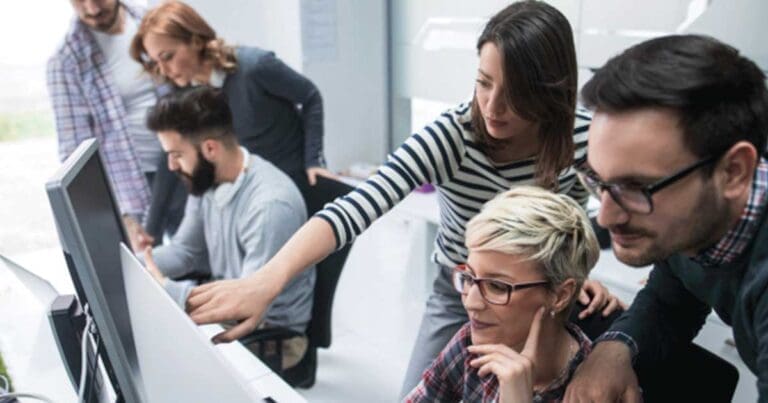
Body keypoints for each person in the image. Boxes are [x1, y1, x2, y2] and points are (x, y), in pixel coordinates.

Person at [184, 0, 623, 394]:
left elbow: (605, 214)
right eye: (484, 83)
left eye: (515, 95)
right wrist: (266, 280)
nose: (492, 107)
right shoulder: (453, 136)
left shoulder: (582, 137)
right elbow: (356, 206)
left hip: (540, 295)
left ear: (549, 91)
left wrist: (575, 275)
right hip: (461, 291)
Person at [563, 34, 768, 402]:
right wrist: (616, 347)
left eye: (636, 187)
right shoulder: (692, 221)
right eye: (599, 181)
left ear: (734, 172)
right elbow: (674, 292)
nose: (606, 217)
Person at [141, 86, 315, 369]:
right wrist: (131, 263)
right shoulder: (206, 179)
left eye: (176, 154)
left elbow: (245, 306)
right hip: (232, 304)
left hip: (270, 336)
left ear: (210, 148)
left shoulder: (270, 205)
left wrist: (165, 288)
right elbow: (186, 251)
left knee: (159, 361)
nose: (171, 166)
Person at [404, 186, 599, 402]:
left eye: (497, 286)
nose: (471, 302)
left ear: (560, 296)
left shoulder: (596, 391)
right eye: (469, 278)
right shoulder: (471, 344)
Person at [129, 0, 335, 195]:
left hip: (297, 183)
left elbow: (310, 97)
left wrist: (314, 161)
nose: (164, 70)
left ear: (196, 40)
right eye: (156, 62)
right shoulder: (186, 95)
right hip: (253, 190)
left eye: (167, 57)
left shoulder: (255, 66)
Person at [47, 0, 182, 250]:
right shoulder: (66, 62)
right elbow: (76, 156)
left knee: (203, 260)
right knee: (149, 271)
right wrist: (120, 213)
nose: (92, 9)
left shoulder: (153, 23)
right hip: (132, 186)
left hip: (184, 166)